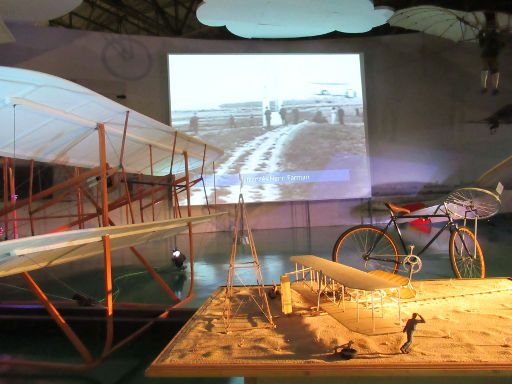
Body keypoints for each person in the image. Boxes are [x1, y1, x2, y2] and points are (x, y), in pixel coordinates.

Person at [478, 15, 505, 95]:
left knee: (493, 71)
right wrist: (481, 33)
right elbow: (482, 44)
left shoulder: (495, 34)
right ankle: (485, 87)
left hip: (492, 55)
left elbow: (501, 44)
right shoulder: (489, 34)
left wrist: (482, 33)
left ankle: (493, 88)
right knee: (487, 70)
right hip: (488, 55)